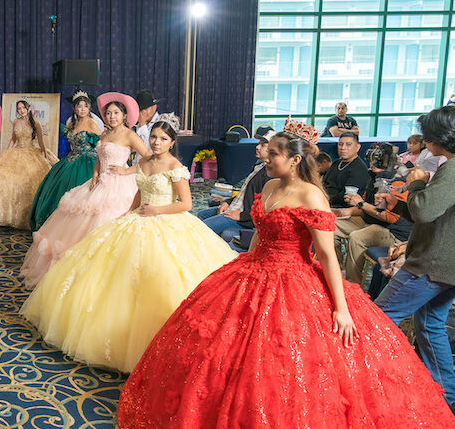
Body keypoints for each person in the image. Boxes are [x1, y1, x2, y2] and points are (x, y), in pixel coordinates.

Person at [113, 128, 454, 427]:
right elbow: (261, 230)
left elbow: (326, 255)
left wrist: (340, 307)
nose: (266, 157)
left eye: (273, 153)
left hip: (295, 278)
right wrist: (243, 265)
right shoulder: (271, 184)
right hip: (253, 270)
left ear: (293, 160)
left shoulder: (312, 195)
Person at [21, 116, 236, 371]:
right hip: (138, 216)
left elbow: (186, 204)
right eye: (154, 137)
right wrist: (129, 212)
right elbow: (139, 190)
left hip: (165, 219)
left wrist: (157, 211)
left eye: (163, 139)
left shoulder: (175, 165)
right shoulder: (143, 161)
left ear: (172, 142)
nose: (157, 142)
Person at [375, 105, 455, 411]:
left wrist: (419, 181)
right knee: (431, 324)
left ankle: (380, 384)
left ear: (439, 138)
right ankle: (445, 398)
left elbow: (424, 210)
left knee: (379, 319)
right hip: (446, 263)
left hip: (433, 263)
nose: (422, 141)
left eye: (427, 135)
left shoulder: (452, 168)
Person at [19, 100, 147, 287]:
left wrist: (126, 171)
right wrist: (95, 175)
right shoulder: (105, 133)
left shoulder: (129, 135)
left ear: (124, 116)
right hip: (99, 183)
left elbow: (148, 158)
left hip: (119, 186)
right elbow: (99, 157)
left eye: (116, 113)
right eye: (109, 113)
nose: (112, 117)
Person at [0, 100, 58, 230]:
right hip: (16, 151)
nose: (21, 110)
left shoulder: (36, 123)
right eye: (19, 108)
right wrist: (6, 153)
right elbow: (13, 139)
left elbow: (41, 142)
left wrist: (45, 155)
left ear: (29, 108)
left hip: (31, 152)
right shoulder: (15, 121)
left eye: (23, 108)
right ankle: (3, 216)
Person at [28, 91, 100, 231]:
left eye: (85, 106)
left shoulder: (91, 123)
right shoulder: (72, 123)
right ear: (74, 108)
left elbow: (103, 139)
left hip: (87, 161)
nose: (82, 109)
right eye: (79, 106)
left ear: (89, 108)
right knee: (57, 188)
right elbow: (72, 143)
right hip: (71, 160)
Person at [194, 128, 274, 250]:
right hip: (236, 206)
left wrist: (242, 216)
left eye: (263, 145)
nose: (257, 147)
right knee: (201, 214)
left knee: (202, 227)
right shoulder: (259, 165)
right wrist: (227, 202)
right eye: (258, 144)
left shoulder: (270, 175)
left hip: (244, 216)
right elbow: (245, 193)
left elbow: (264, 208)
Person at [324, 132, 368, 208]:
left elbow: (345, 197)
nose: (343, 148)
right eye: (340, 144)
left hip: (343, 209)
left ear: (357, 147)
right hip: (326, 203)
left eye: (348, 144)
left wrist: (323, 198)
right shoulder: (336, 163)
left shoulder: (359, 169)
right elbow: (324, 183)